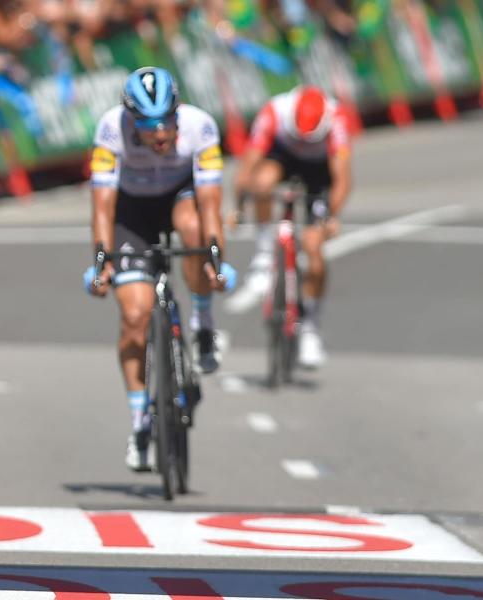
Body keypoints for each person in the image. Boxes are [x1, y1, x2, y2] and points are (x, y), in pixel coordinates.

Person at [86, 67, 232, 472]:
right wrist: (101, 261)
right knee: (135, 314)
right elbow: (103, 206)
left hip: (180, 199)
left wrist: (216, 256)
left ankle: (203, 323)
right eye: (149, 126)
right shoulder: (110, 130)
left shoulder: (201, 127)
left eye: (167, 120)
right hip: (132, 212)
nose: (161, 134)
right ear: (131, 120)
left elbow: (211, 204)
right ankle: (139, 422)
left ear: (178, 111)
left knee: (192, 229)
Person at [230, 85, 352, 368]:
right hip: (282, 159)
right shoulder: (274, 112)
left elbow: (343, 180)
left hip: (319, 172)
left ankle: (310, 327)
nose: (305, 141)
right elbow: (247, 167)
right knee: (261, 183)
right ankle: (263, 256)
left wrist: (329, 217)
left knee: (313, 249)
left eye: (311, 137)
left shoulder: (338, 119)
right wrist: (238, 208)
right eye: (301, 136)